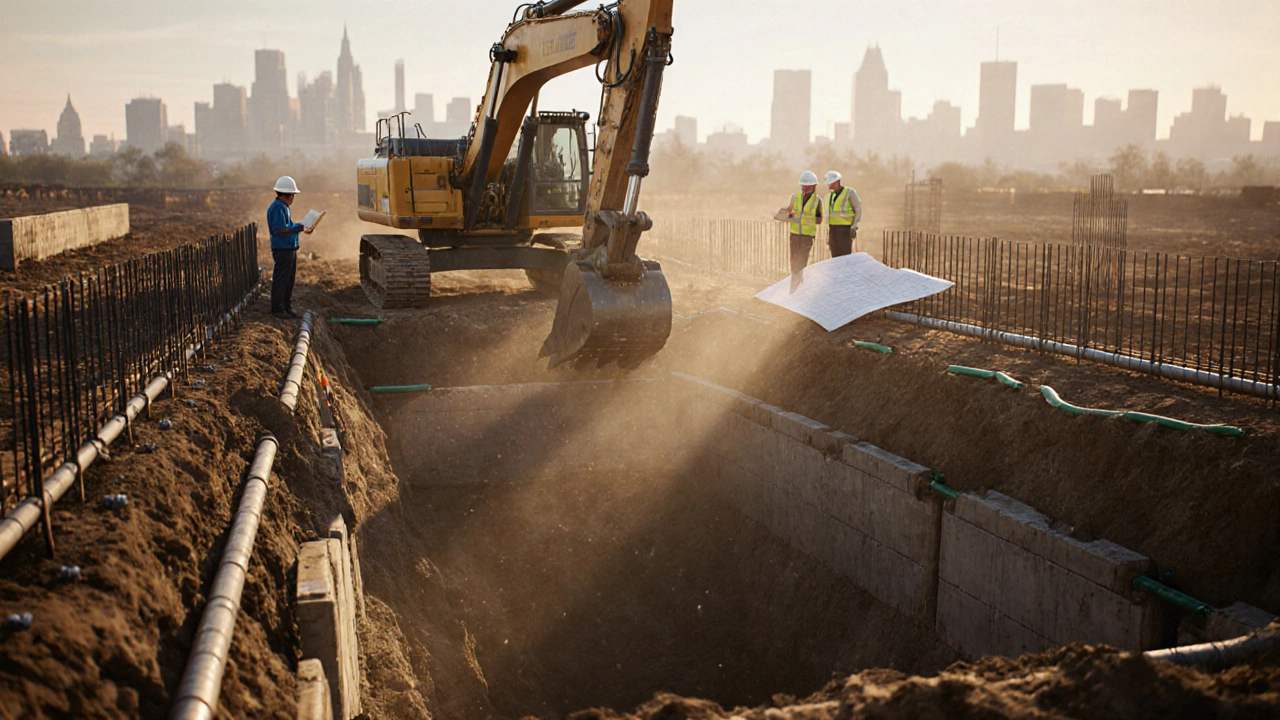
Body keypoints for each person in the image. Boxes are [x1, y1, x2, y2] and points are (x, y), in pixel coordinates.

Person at [267, 175, 312, 319]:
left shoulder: (282, 207)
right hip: (282, 249)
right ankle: (278, 309)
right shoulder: (278, 208)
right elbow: (280, 229)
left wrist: (302, 227)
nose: (293, 198)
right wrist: (299, 228)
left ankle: (286, 307)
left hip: (289, 248)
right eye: (293, 195)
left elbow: (288, 226)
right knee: (282, 279)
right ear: (288, 195)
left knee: (288, 280)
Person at [785, 170, 823, 292]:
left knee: (802, 262)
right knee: (794, 260)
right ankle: (793, 287)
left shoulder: (817, 201)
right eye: (803, 186)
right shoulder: (795, 198)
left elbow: (819, 220)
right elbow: (790, 214)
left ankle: (798, 288)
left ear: (814, 187)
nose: (805, 189)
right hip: (795, 234)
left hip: (807, 235)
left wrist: (807, 219)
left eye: (808, 187)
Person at [824, 170, 863, 257]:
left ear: (838, 182)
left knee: (845, 256)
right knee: (834, 255)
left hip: (845, 229)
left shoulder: (849, 193)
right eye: (829, 184)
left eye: (832, 183)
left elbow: (858, 209)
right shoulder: (831, 195)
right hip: (833, 229)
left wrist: (854, 226)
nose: (830, 186)